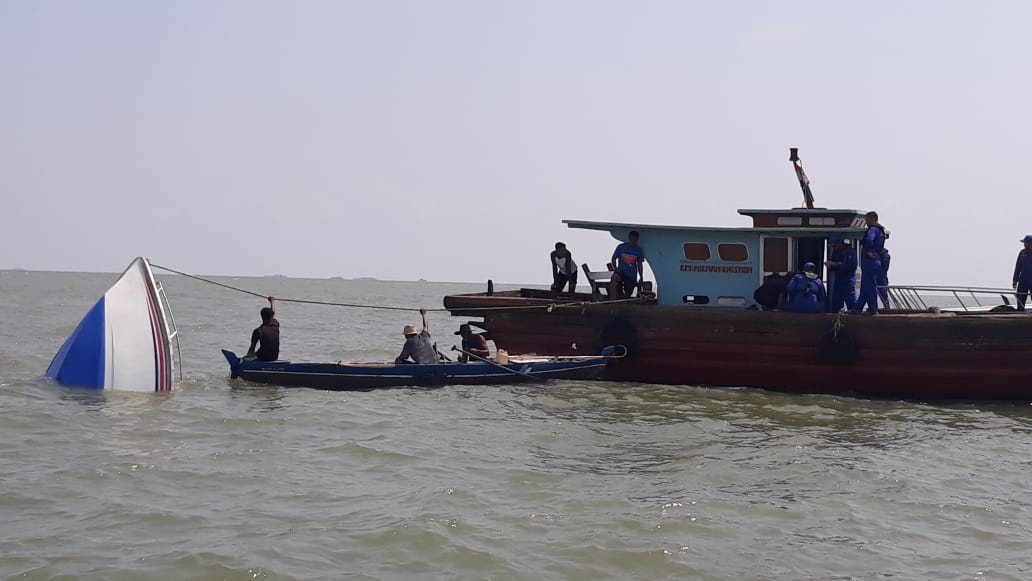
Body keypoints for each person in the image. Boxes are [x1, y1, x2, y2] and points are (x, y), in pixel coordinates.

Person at [854, 211, 885, 315]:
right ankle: (857, 308)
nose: (866, 223)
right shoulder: (881, 231)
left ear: (872, 219)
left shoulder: (873, 229)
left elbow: (869, 240)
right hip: (876, 261)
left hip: (870, 261)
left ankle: (873, 309)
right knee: (865, 286)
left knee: (870, 286)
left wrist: (868, 250)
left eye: (867, 220)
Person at [824, 235, 857, 313]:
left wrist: (837, 264)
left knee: (851, 303)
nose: (833, 248)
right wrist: (830, 265)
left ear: (839, 243)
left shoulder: (851, 252)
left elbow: (852, 266)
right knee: (835, 305)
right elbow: (833, 266)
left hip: (848, 280)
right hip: (838, 281)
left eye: (834, 245)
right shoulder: (836, 252)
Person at [609, 230, 645, 299]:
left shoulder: (639, 250)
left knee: (627, 294)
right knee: (614, 278)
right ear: (629, 238)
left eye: (635, 241)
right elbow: (613, 258)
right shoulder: (621, 247)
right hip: (621, 273)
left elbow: (640, 265)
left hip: (631, 276)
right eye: (632, 240)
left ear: (637, 240)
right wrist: (615, 269)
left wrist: (641, 277)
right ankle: (612, 299)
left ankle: (624, 300)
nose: (633, 242)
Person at [247, 296, 280, 361]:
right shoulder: (276, 325)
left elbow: (252, 348)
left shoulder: (258, 331)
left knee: (245, 359)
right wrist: (272, 302)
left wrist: (247, 360)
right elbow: (272, 313)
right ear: (271, 317)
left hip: (262, 358)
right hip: (274, 358)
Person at [1013, 235, 1032, 311]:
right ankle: (1020, 313)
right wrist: (1015, 280)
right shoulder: (1022, 253)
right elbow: (1018, 267)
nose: (1024, 244)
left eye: (1025, 243)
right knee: (1020, 300)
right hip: (1023, 281)